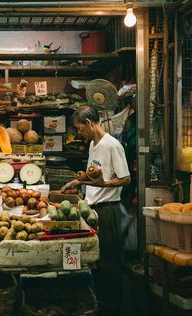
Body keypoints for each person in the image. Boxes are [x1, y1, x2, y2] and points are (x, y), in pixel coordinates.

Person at [61, 105, 130, 316]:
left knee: (110, 263)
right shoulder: (93, 144)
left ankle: (114, 307)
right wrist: (77, 180)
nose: (79, 133)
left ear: (89, 123)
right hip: (92, 210)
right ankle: (99, 302)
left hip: (108, 211)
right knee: (97, 261)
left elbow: (126, 178)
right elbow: (94, 176)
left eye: (79, 128)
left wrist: (103, 185)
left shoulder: (112, 145)